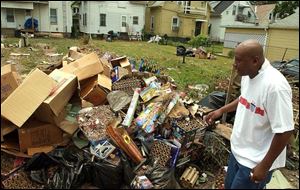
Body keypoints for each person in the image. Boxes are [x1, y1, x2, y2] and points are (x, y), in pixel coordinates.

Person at [204, 39, 294, 189]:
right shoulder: (248, 75)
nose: (234, 64)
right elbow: (245, 99)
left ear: (255, 60)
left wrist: (264, 166)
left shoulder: (275, 87)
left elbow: (285, 131)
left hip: (255, 160)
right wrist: (221, 110)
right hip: (238, 151)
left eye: (238, 60)